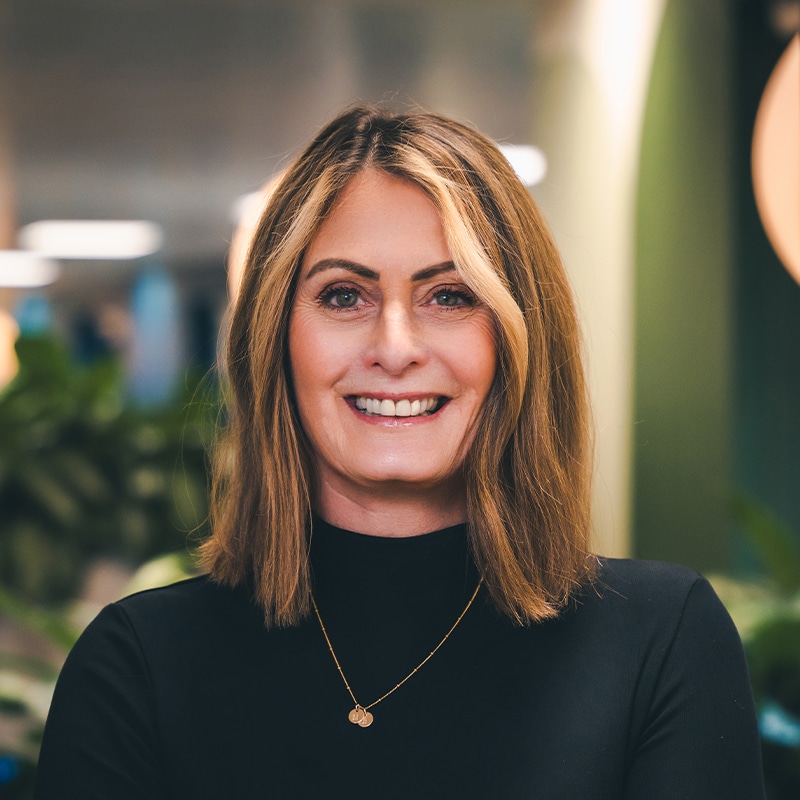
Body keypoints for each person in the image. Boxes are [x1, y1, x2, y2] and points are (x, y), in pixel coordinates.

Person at [34, 105, 765, 799]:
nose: (394, 348)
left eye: (449, 296)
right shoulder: (139, 667)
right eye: (344, 295)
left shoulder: (660, 641)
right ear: (275, 340)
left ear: (517, 340)